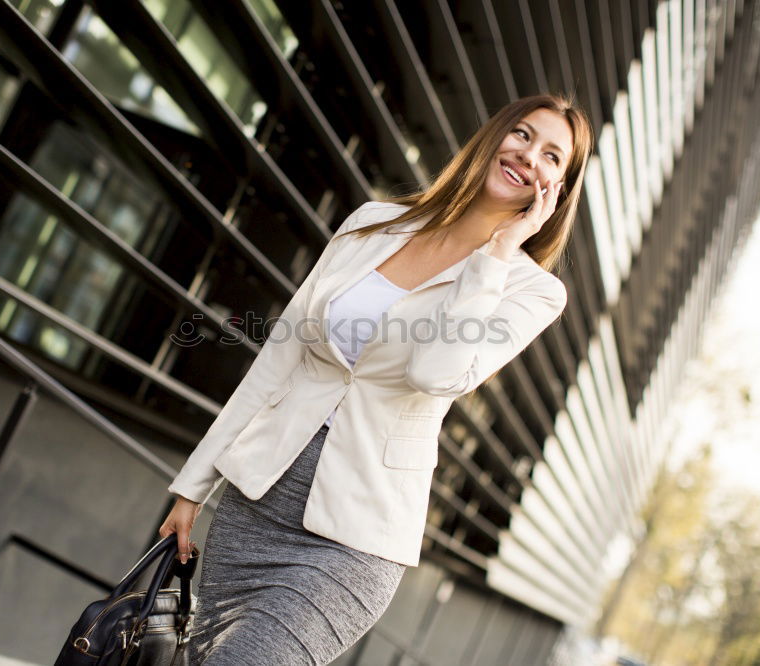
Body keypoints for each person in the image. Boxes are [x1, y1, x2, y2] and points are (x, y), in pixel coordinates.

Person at [159, 92, 593, 664]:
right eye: (522, 134)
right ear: (494, 137)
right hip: (258, 497)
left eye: (552, 156)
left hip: (356, 535)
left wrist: (495, 255)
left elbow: (434, 373)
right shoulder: (373, 223)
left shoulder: (533, 290)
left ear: (558, 188)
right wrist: (193, 485)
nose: (529, 155)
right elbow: (278, 362)